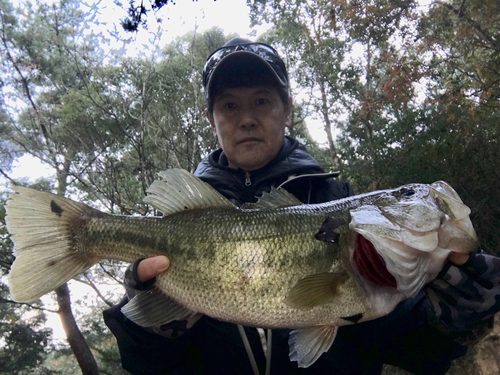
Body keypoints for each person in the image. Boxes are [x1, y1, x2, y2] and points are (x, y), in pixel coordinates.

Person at [103, 38, 500, 375]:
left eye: (261, 101)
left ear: (287, 110)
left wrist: (450, 321)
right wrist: (152, 318)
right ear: (212, 120)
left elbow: (414, 352)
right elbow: (147, 365)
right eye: (229, 106)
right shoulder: (177, 224)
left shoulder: (336, 203)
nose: (247, 119)